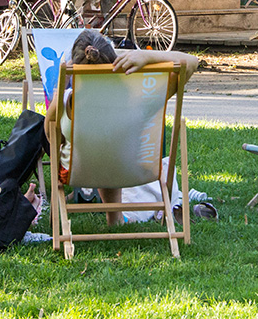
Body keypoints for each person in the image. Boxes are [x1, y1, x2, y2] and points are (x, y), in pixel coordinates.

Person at [58, 30, 200, 226]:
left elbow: (51, 133)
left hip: (77, 171)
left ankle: (108, 216)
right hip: (131, 169)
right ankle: (114, 218)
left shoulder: (65, 101)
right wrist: (146, 55)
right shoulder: (140, 99)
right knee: (111, 150)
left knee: (99, 151)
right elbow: (191, 62)